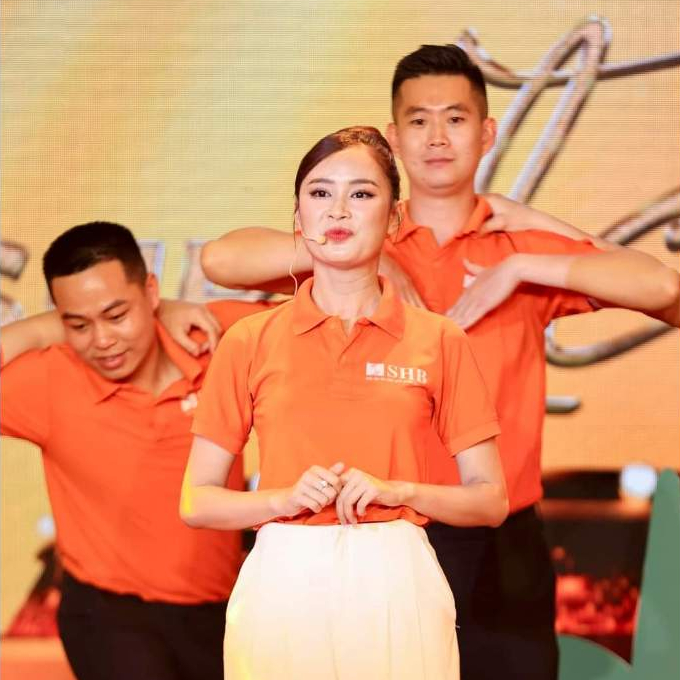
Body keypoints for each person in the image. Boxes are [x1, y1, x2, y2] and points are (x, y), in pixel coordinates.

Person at [198, 46, 680, 680]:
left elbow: (663, 288)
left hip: (500, 527)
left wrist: (522, 263)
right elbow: (221, 259)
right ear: (394, 136)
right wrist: (374, 254)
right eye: (418, 120)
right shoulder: (357, 232)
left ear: (487, 132)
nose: (436, 138)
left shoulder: (515, 247)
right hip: (385, 531)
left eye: (455, 119)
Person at [181, 126, 508, 680]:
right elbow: (197, 500)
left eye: (361, 193)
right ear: (298, 216)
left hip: (397, 576)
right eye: (319, 192)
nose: (338, 210)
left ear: (394, 217)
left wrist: (399, 491)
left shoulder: (438, 339)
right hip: (284, 577)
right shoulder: (250, 339)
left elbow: (490, 499)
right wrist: (281, 500)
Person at [0, 221, 274, 680]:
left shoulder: (213, 338)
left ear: (149, 290)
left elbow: (326, 304)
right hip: (109, 614)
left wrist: (165, 310)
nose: (102, 340)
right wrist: (45, 327)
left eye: (116, 314)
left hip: (220, 612)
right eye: (78, 323)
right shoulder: (49, 379)